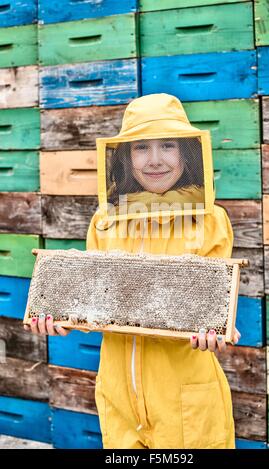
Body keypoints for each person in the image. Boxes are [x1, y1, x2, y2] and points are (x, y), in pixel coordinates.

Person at [25, 93, 241, 449]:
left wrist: (215, 330)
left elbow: (217, 304)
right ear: (125, 156)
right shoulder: (104, 221)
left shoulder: (211, 221)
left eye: (168, 146)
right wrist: (62, 317)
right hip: (118, 393)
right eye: (141, 147)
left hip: (185, 398)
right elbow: (97, 300)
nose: (155, 160)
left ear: (186, 153)